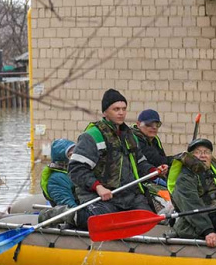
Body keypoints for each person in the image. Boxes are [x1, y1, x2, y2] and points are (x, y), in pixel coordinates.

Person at [68, 89, 168, 225]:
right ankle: (69, 215)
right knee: (102, 221)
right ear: (105, 112)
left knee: (147, 220)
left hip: (129, 196)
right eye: (116, 109)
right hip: (99, 196)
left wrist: (154, 171)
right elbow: (76, 169)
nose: (121, 113)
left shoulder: (130, 137)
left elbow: (140, 163)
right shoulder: (92, 136)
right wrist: (98, 187)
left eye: (124, 109)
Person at [40, 138, 78, 208]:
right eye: (71, 155)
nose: (76, 157)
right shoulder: (56, 179)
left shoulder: (74, 172)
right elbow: (68, 205)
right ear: (62, 158)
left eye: (76, 153)